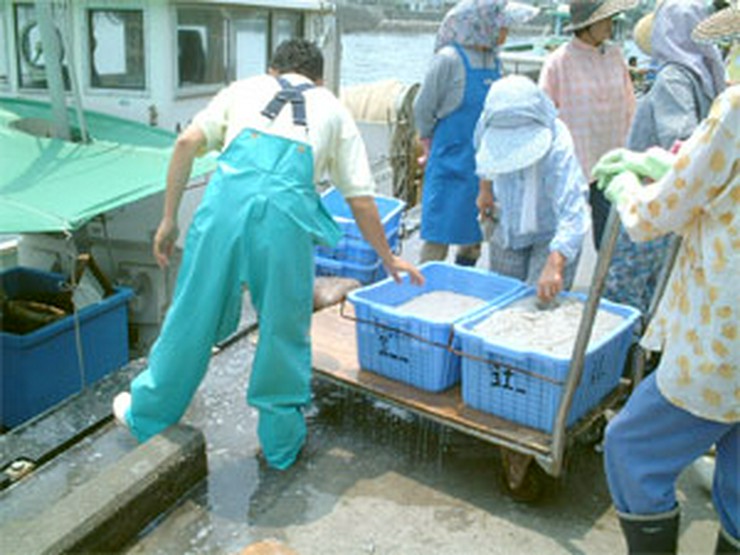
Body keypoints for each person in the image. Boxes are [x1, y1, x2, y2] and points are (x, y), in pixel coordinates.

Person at [112, 39, 424, 470]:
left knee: (192, 315)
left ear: (273, 70)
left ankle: (147, 415)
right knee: (283, 329)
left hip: (222, 214)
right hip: (284, 224)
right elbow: (361, 200)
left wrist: (168, 220)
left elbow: (186, 143)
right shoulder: (333, 110)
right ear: (319, 79)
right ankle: (280, 447)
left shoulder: (244, 89)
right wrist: (389, 259)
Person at [595, 78, 739, 554]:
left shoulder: (736, 104)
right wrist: (666, 164)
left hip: (724, 337)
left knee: (631, 448)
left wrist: (628, 191)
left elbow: (663, 211)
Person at [603, 0, 727, 320]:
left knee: (625, 285)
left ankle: (627, 343)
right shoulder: (706, 74)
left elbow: (680, 140)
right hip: (677, 197)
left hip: (653, 194)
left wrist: (641, 167)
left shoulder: (674, 77)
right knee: (657, 285)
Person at [414, 0, 537, 267]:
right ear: (484, 25)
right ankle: (424, 284)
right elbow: (423, 107)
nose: (506, 32)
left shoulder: (495, 60)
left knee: (474, 239)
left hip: (483, 166)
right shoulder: (448, 59)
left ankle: (462, 280)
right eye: (503, 26)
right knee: (437, 238)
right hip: (449, 162)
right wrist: (427, 143)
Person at [474, 75, 590, 302]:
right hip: (508, 222)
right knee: (503, 301)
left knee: (542, 302)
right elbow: (483, 157)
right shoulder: (487, 122)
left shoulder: (558, 142)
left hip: (552, 230)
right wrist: (485, 190)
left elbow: (573, 211)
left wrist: (556, 262)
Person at [538, 0, 637, 251]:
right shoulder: (558, 62)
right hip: (573, 163)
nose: (610, 25)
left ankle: (603, 277)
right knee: (567, 239)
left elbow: (630, 105)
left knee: (608, 239)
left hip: (611, 161)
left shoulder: (615, 56)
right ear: (587, 24)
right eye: (605, 20)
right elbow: (544, 115)